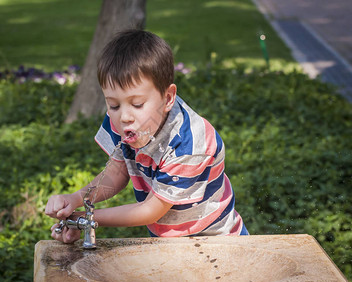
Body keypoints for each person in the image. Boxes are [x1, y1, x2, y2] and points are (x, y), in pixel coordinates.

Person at [45, 29, 248, 243]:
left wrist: (85, 218)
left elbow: (151, 210)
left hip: (219, 243)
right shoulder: (123, 121)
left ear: (168, 97)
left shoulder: (189, 144)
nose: (124, 116)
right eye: (113, 104)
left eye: (137, 104)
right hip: (168, 242)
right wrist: (76, 199)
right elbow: (116, 173)